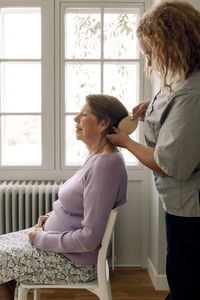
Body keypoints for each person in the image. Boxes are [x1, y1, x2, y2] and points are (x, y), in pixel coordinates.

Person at [107, 1, 200, 300]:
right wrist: (154, 108)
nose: (150, 60)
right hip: (177, 202)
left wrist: (126, 142)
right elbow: (176, 124)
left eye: (150, 52)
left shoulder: (192, 92)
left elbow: (169, 163)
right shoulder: (180, 80)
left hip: (190, 206)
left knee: (185, 283)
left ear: (172, 44)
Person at [0, 94, 128, 300]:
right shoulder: (96, 158)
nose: (76, 118)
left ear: (103, 123)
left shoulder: (105, 166)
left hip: (75, 262)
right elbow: (77, 207)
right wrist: (51, 217)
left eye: (84, 114)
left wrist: (42, 238)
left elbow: (90, 238)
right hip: (62, 250)